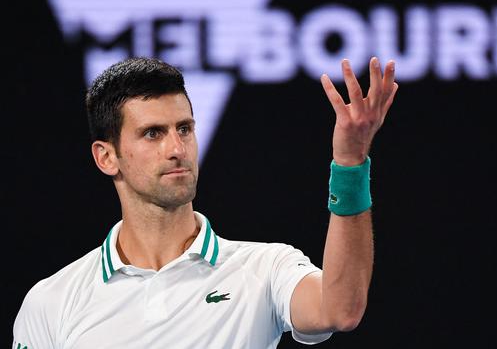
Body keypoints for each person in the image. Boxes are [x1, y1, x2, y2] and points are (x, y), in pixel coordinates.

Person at [12, 56, 398, 348]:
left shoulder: (265, 270)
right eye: (152, 134)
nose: (177, 148)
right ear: (106, 157)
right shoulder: (52, 302)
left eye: (184, 128)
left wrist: (349, 164)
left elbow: (340, 308)